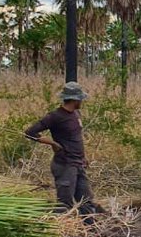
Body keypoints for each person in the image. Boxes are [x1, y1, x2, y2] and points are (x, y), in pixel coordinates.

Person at [25, 82, 100, 219]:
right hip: (65, 165)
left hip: (78, 163)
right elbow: (30, 132)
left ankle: (90, 229)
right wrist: (51, 143)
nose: (82, 101)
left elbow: (76, 139)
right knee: (64, 204)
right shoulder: (55, 116)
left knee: (86, 201)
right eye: (80, 99)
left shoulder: (76, 114)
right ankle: (57, 231)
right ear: (74, 100)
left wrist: (83, 157)